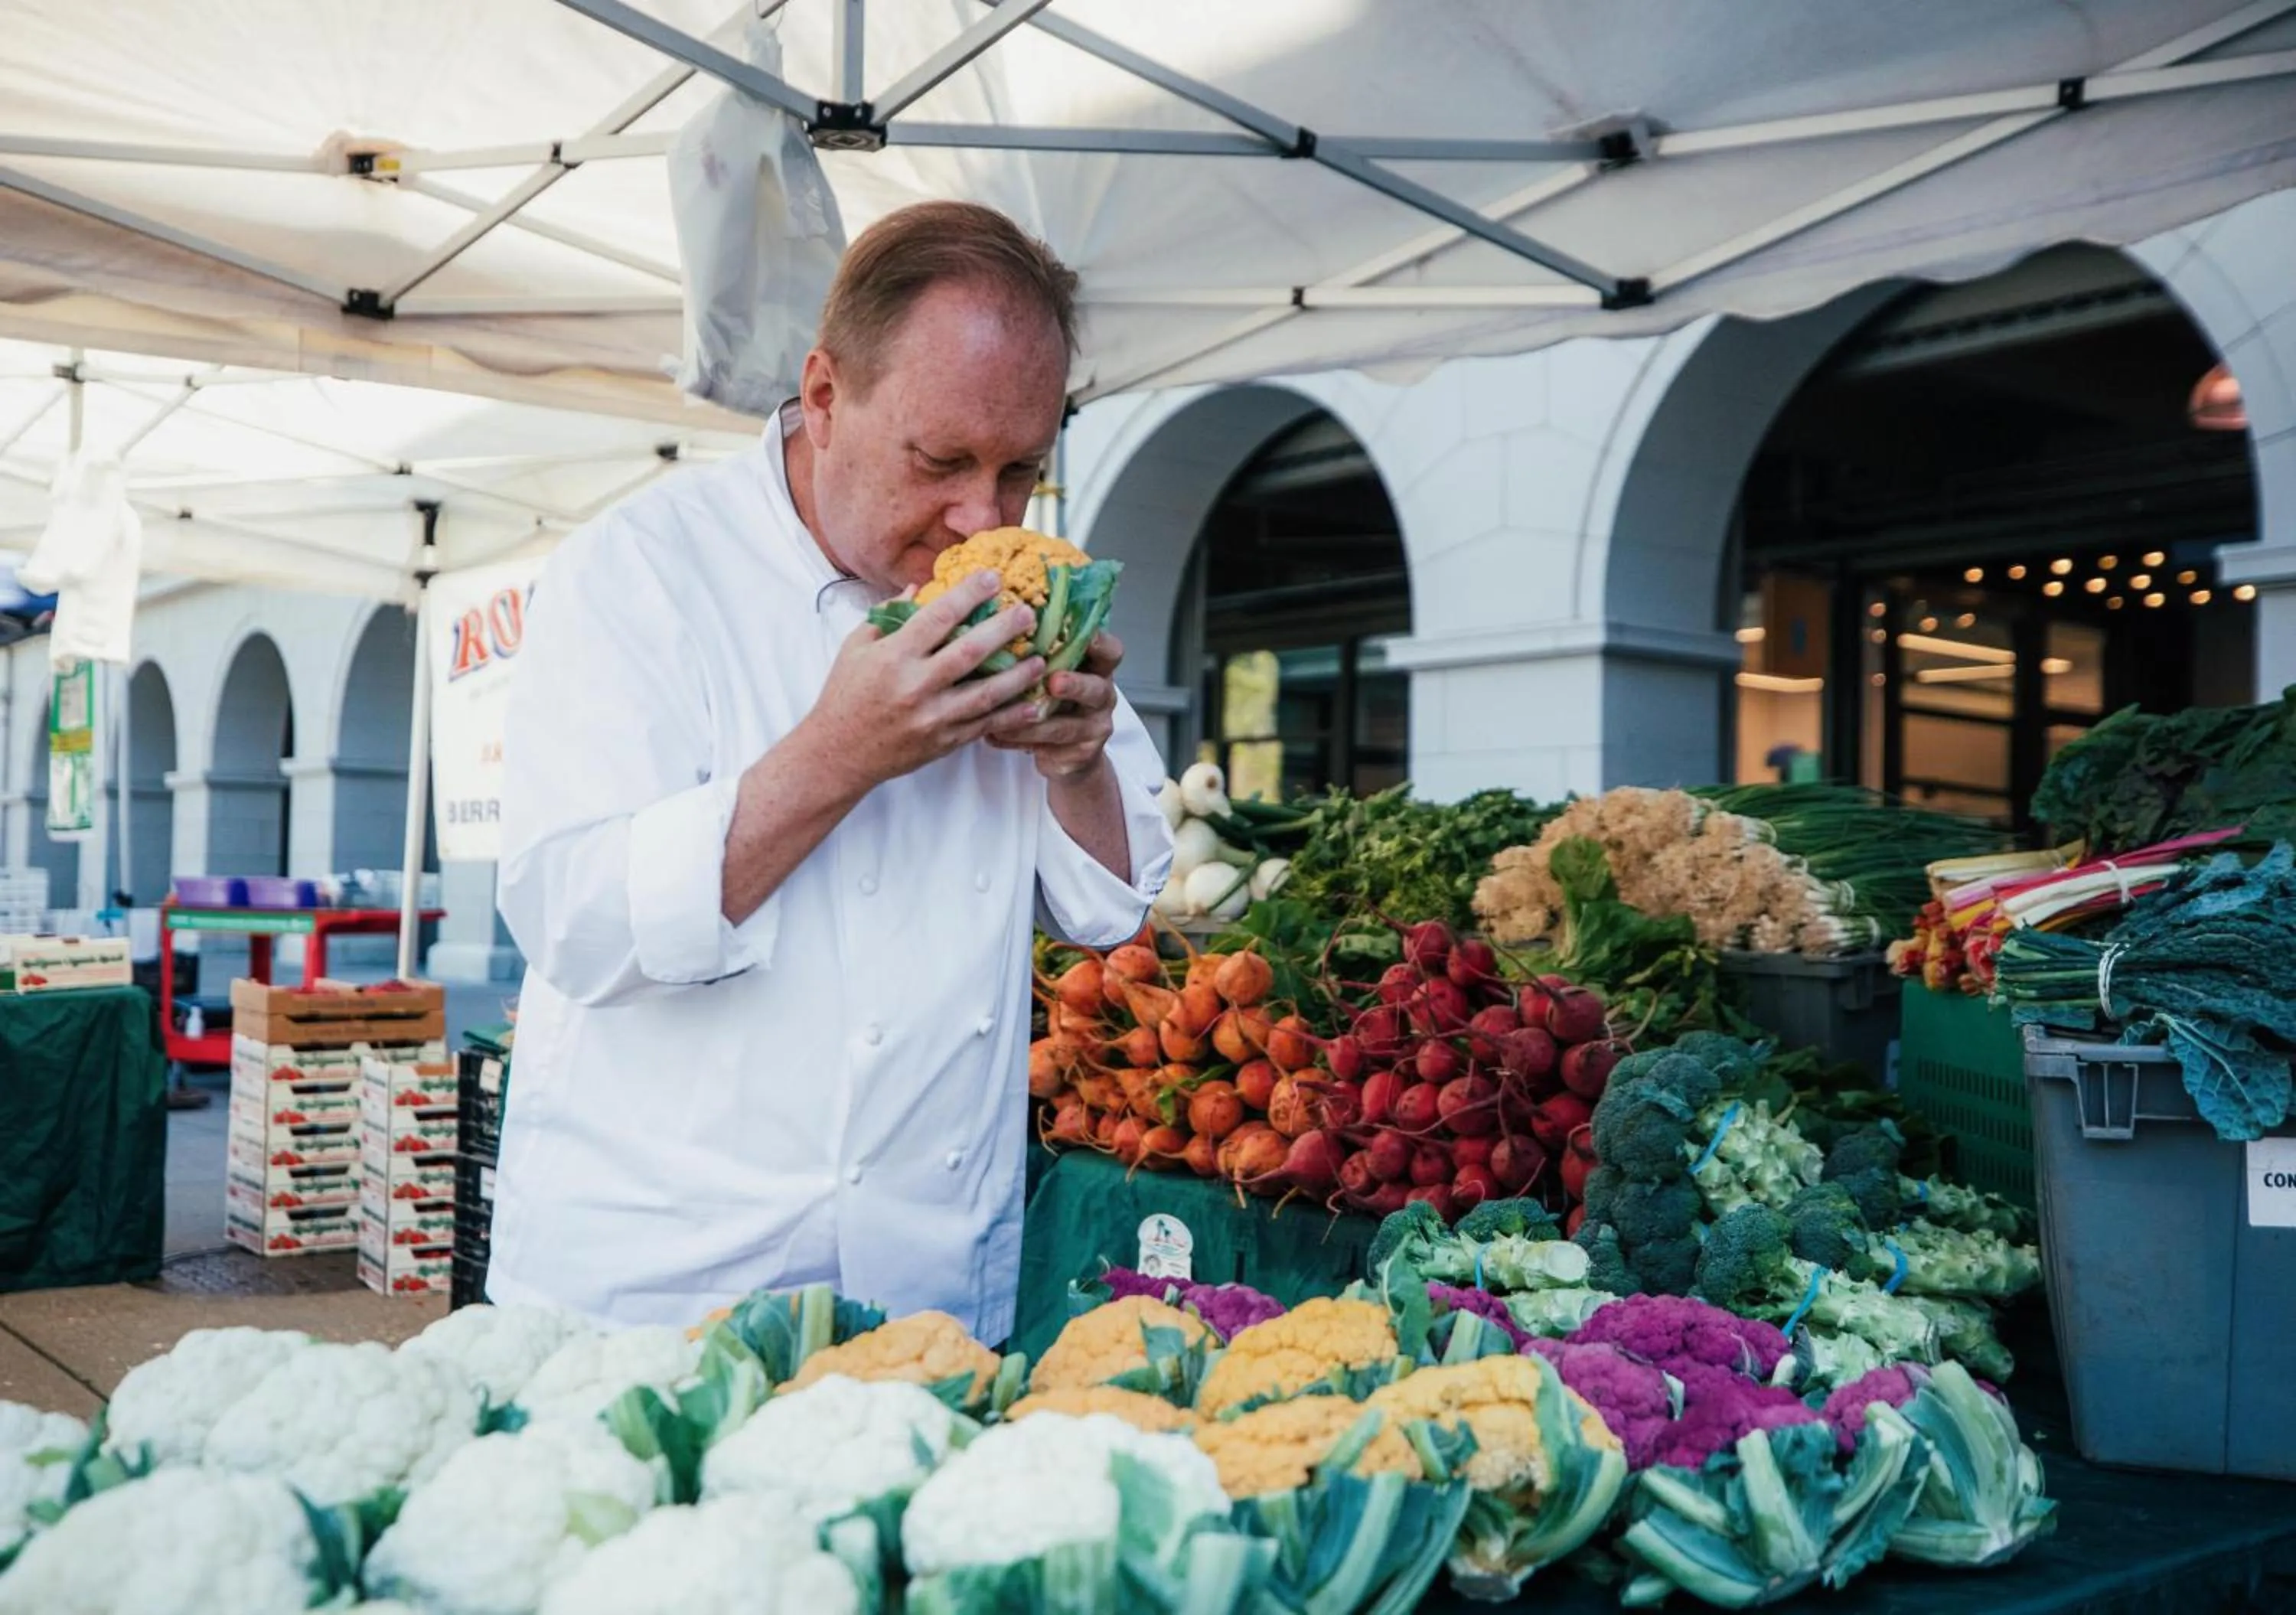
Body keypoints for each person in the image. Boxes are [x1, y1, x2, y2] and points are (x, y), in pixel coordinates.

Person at [486, 201, 1174, 1343]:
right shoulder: (639, 571)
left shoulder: (1019, 600)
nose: (979, 516)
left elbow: (1112, 908)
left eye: (1021, 473)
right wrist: (839, 752)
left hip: (931, 1291)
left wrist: (1077, 763)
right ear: (822, 394)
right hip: (659, 1295)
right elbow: (576, 922)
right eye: (940, 459)